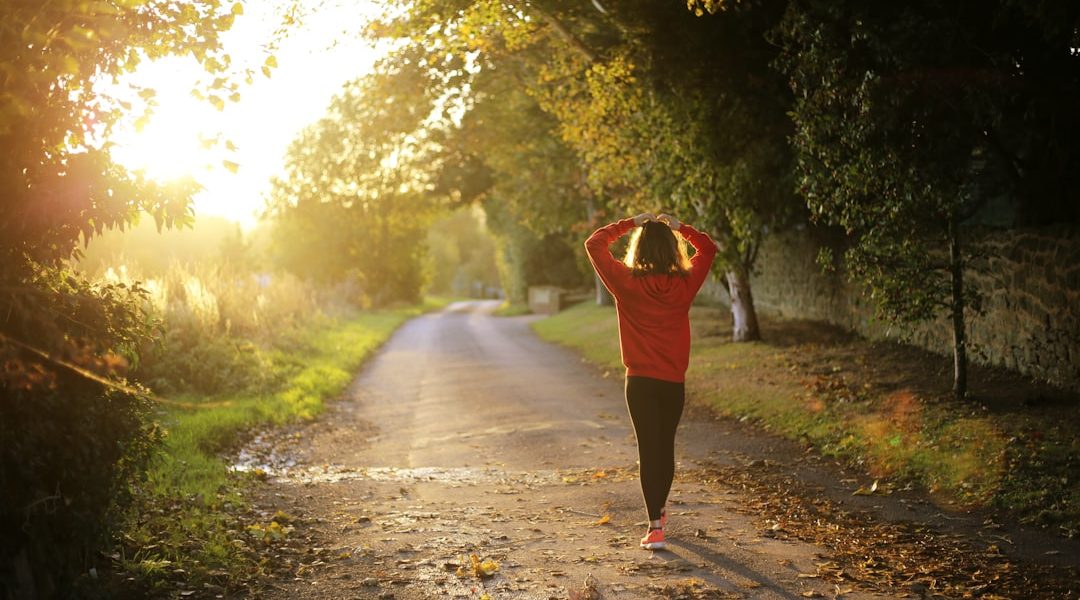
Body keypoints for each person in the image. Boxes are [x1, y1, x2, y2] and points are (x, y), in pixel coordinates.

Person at [584, 212, 717, 550]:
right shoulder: (685, 284)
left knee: (648, 449)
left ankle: (655, 526)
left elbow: (594, 244)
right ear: (673, 250)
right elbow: (708, 248)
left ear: (638, 249)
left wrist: (630, 223)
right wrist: (680, 227)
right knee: (665, 447)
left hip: (640, 382)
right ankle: (658, 512)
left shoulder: (625, 282)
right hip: (672, 382)